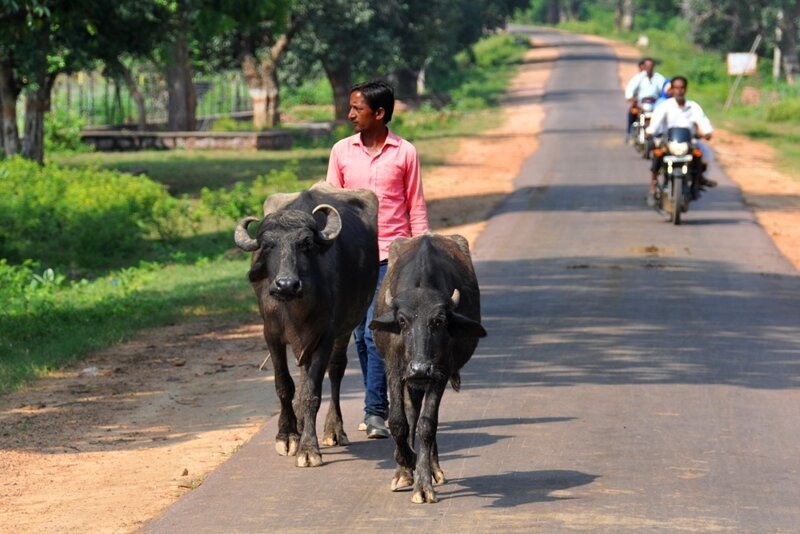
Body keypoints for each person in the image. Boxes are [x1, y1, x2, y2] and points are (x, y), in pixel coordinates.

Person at [326, 80, 429, 439]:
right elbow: (331, 206)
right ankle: (385, 398)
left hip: (392, 256)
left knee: (375, 333)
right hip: (352, 260)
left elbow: (414, 205)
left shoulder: (405, 152)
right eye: (351, 107)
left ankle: (375, 411)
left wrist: (421, 253)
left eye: (357, 108)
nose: (350, 114)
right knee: (356, 335)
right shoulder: (341, 151)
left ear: (379, 113)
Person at [645, 75, 716, 206]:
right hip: (668, 141)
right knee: (657, 154)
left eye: (682, 88)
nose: (679, 91)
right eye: (676, 88)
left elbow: (702, 120)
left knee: (704, 156)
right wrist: (649, 132)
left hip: (688, 142)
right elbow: (655, 123)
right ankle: (653, 187)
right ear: (671, 90)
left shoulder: (693, 106)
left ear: (685, 90)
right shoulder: (664, 106)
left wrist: (706, 132)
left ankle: (698, 180)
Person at [624, 58, 667, 142]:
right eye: (647, 66)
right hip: (641, 103)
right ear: (643, 66)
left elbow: (665, 89)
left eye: (650, 66)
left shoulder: (659, 78)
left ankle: (662, 133)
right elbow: (630, 89)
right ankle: (629, 132)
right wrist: (631, 99)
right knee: (632, 112)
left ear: (654, 66)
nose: (649, 68)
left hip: (655, 103)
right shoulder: (639, 77)